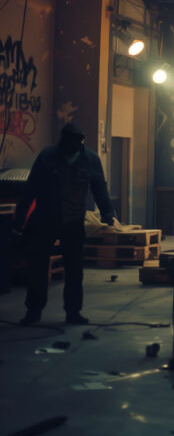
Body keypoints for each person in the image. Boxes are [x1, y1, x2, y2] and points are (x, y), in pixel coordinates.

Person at [15, 123, 116, 325]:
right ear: (62, 141)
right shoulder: (47, 157)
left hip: (73, 221)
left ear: (80, 143)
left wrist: (107, 211)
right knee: (38, 268)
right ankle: (34, 311)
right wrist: (19, 221)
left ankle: (73, 312)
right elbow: (30, 189)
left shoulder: (90, 160)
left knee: (74, 269)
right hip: (45, 220)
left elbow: (99, 187)